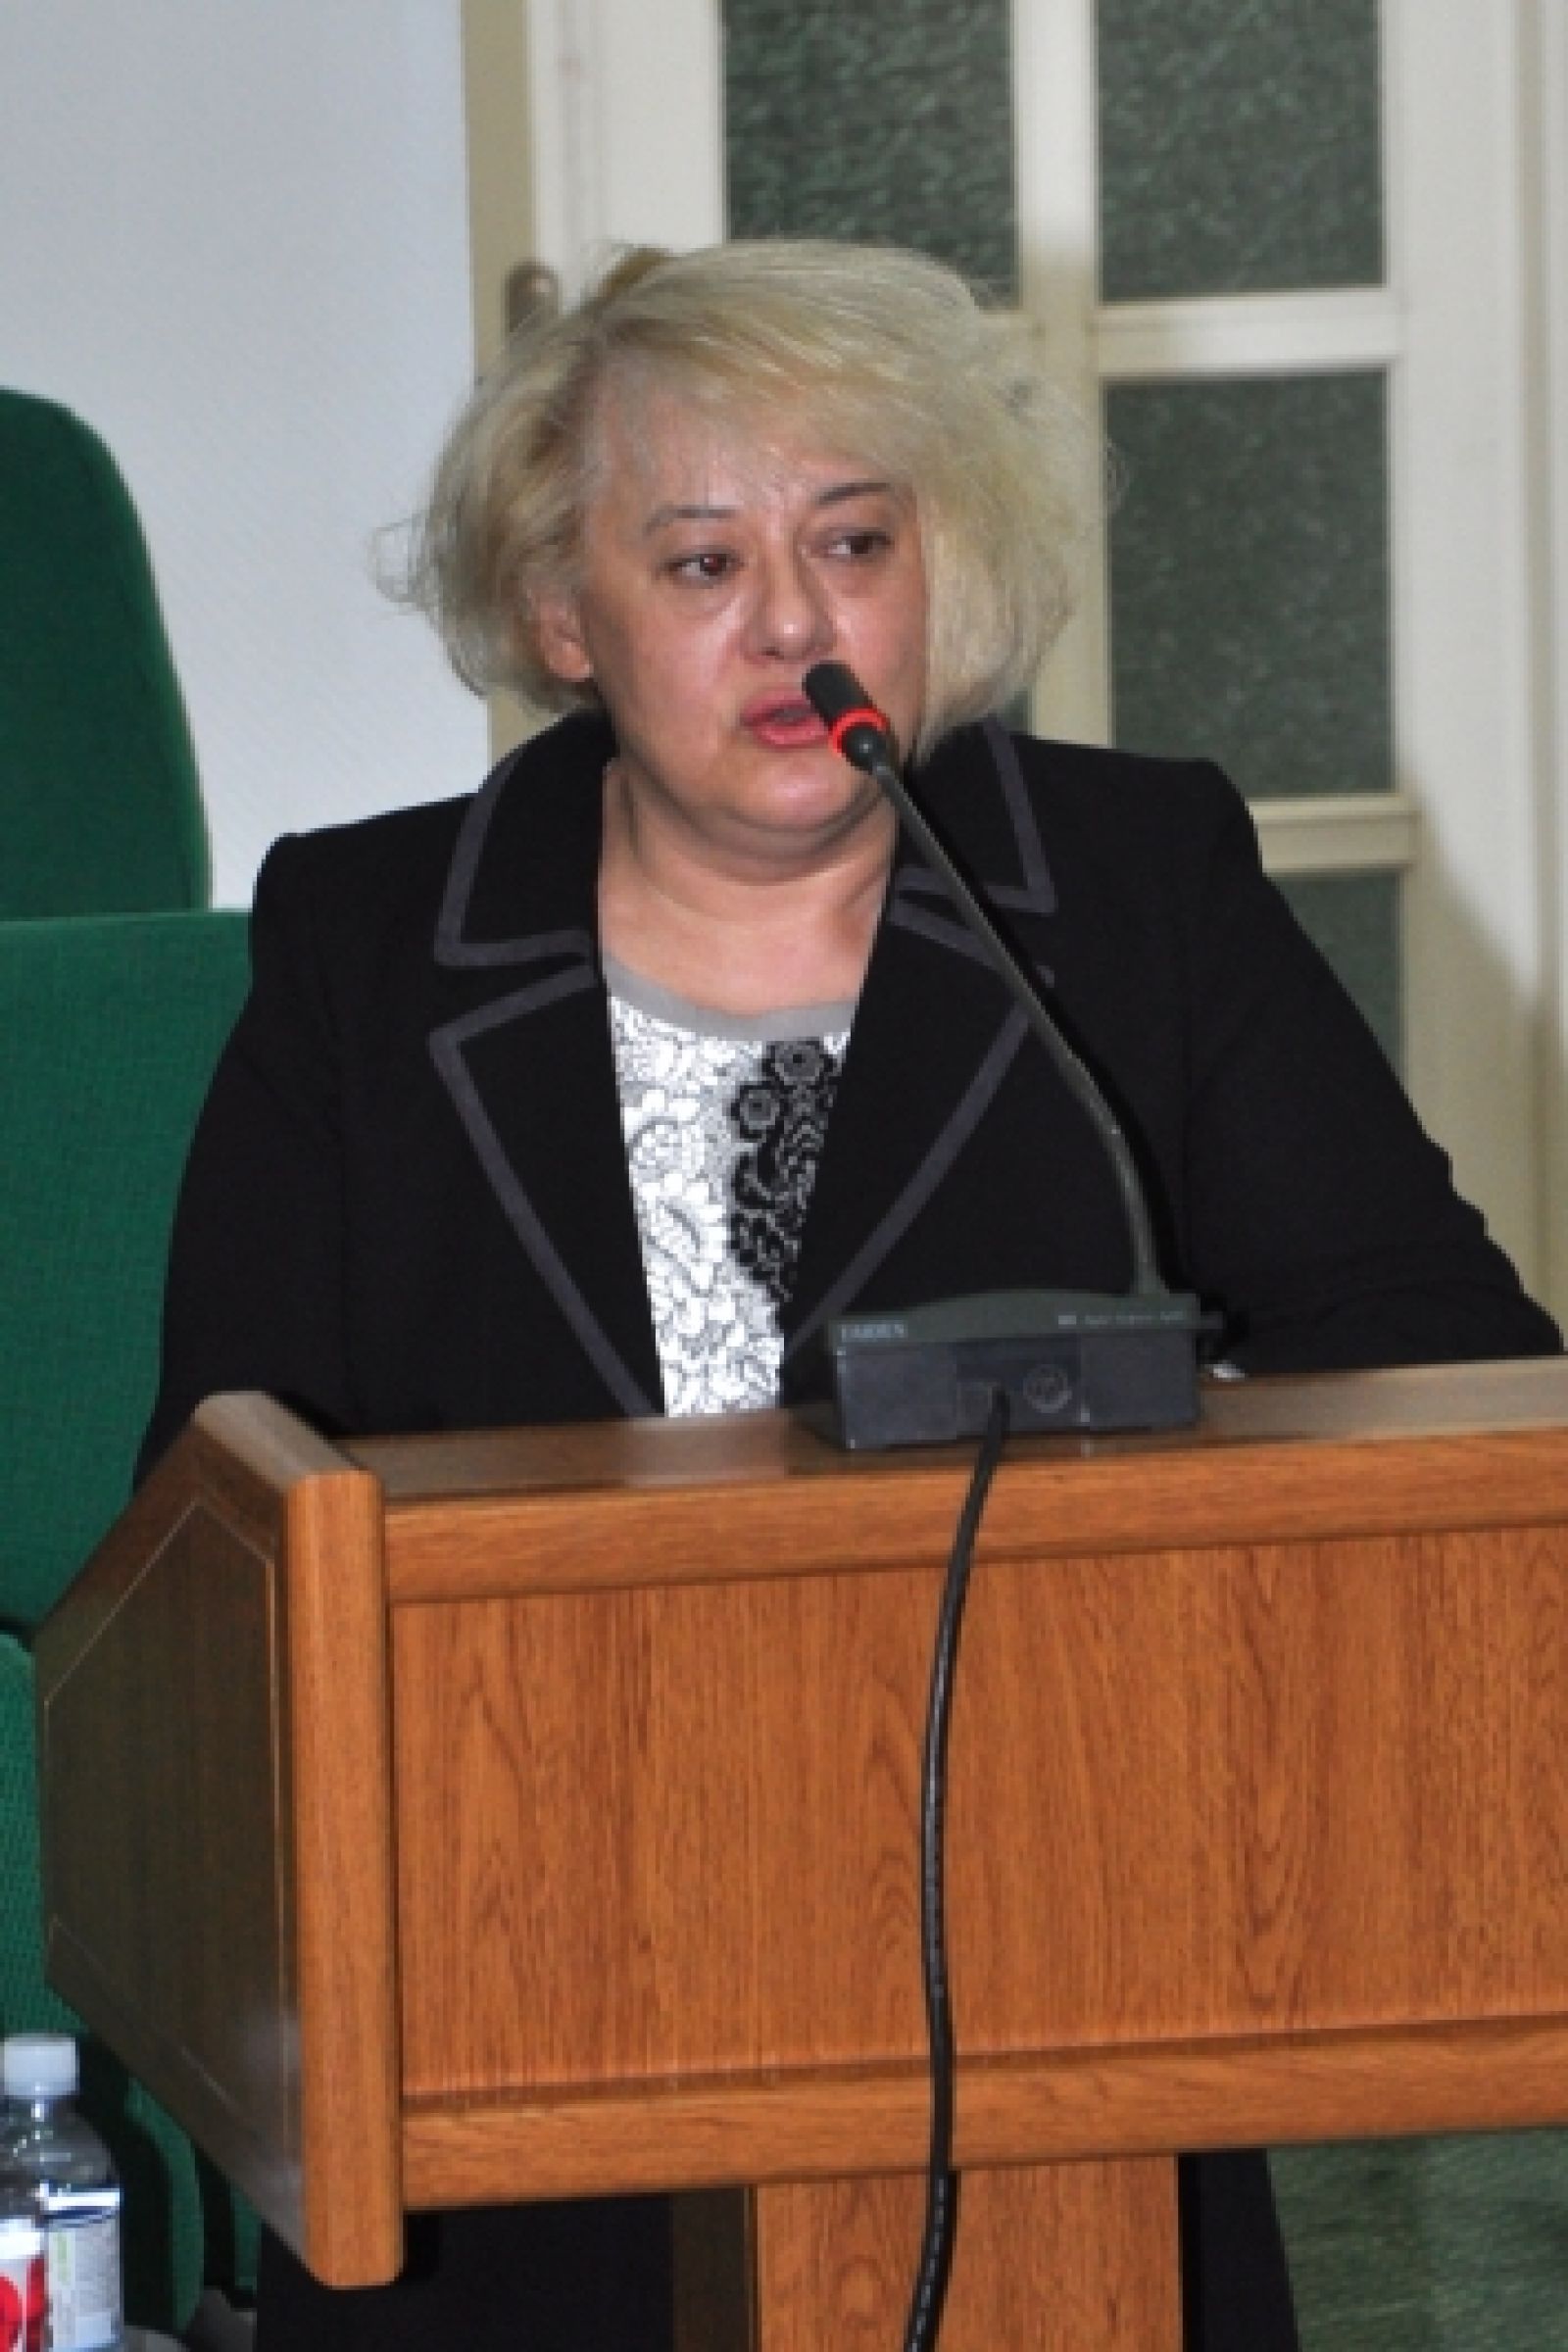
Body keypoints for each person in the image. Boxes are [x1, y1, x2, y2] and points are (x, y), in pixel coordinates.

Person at [139, 239, 1559, 2349]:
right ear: (564, 617)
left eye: (854, 542)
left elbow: (1438, 1371)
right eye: (702, 561)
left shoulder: (1133, 888)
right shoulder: (368, 941)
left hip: (1065, 1948)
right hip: (509, 1990)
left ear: (938, 572)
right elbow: (216, 1507)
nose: (794, 624)